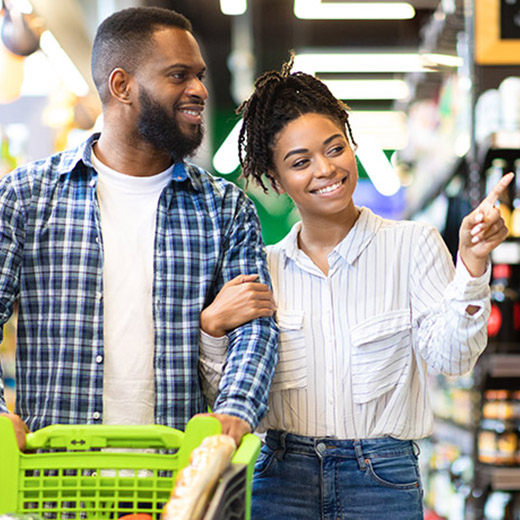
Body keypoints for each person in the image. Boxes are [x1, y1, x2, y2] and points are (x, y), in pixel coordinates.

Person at [198, 55, 512, 520]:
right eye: (300, 162)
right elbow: (224, 395)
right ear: (275, 179)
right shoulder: (260, 270)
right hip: (280, 478)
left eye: (334, 147)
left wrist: (471, 264)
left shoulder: (412, 245)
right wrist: (211, 327)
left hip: (382, 481)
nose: (325, 169)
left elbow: (453, 358)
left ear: (351, 143)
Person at [0, 6, 278, 451]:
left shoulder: (225, 209)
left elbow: (256, 329)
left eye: (200, 76)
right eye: (178, 75)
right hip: (55, 482)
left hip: (177, 482)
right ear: (121, 85)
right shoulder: (27, 198)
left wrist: (235, 410)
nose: (200, 91)